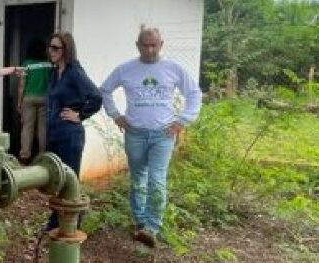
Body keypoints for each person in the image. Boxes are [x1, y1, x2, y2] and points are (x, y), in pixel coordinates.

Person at [99, 27, 202, 246]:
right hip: (135, 134)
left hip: (163, 134)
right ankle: (140, 223)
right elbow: (105, 90)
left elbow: (194, 93)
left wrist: (183, 120)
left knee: (157, 180)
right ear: (138, 45)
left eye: (154, 45)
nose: (150, 49)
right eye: (145, 45)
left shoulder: (173, 68)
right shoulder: (126, 69)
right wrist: (116, 115)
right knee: (138, 180)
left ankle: (152, 227)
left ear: (161, 44)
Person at [43, 31, 102, 230]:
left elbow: (95, 97)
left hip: (70, 135)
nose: (51, 51)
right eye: (50, 47)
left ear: (66, 50)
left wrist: (79, 115)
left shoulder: (74, 71)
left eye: (56, 48)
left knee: (70, 180)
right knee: (58, 177)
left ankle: (73, 223)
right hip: (55, 133)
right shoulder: (54, 72)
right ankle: (56, 219)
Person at [16, 38, 51, 163]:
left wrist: (19, 102)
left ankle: (25, 155)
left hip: (29, 98)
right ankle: (43, 155)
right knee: (43, 128)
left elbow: (21, 85)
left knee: (27, 127)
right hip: (44, 98)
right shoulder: (49, 64)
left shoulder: (27, 64)